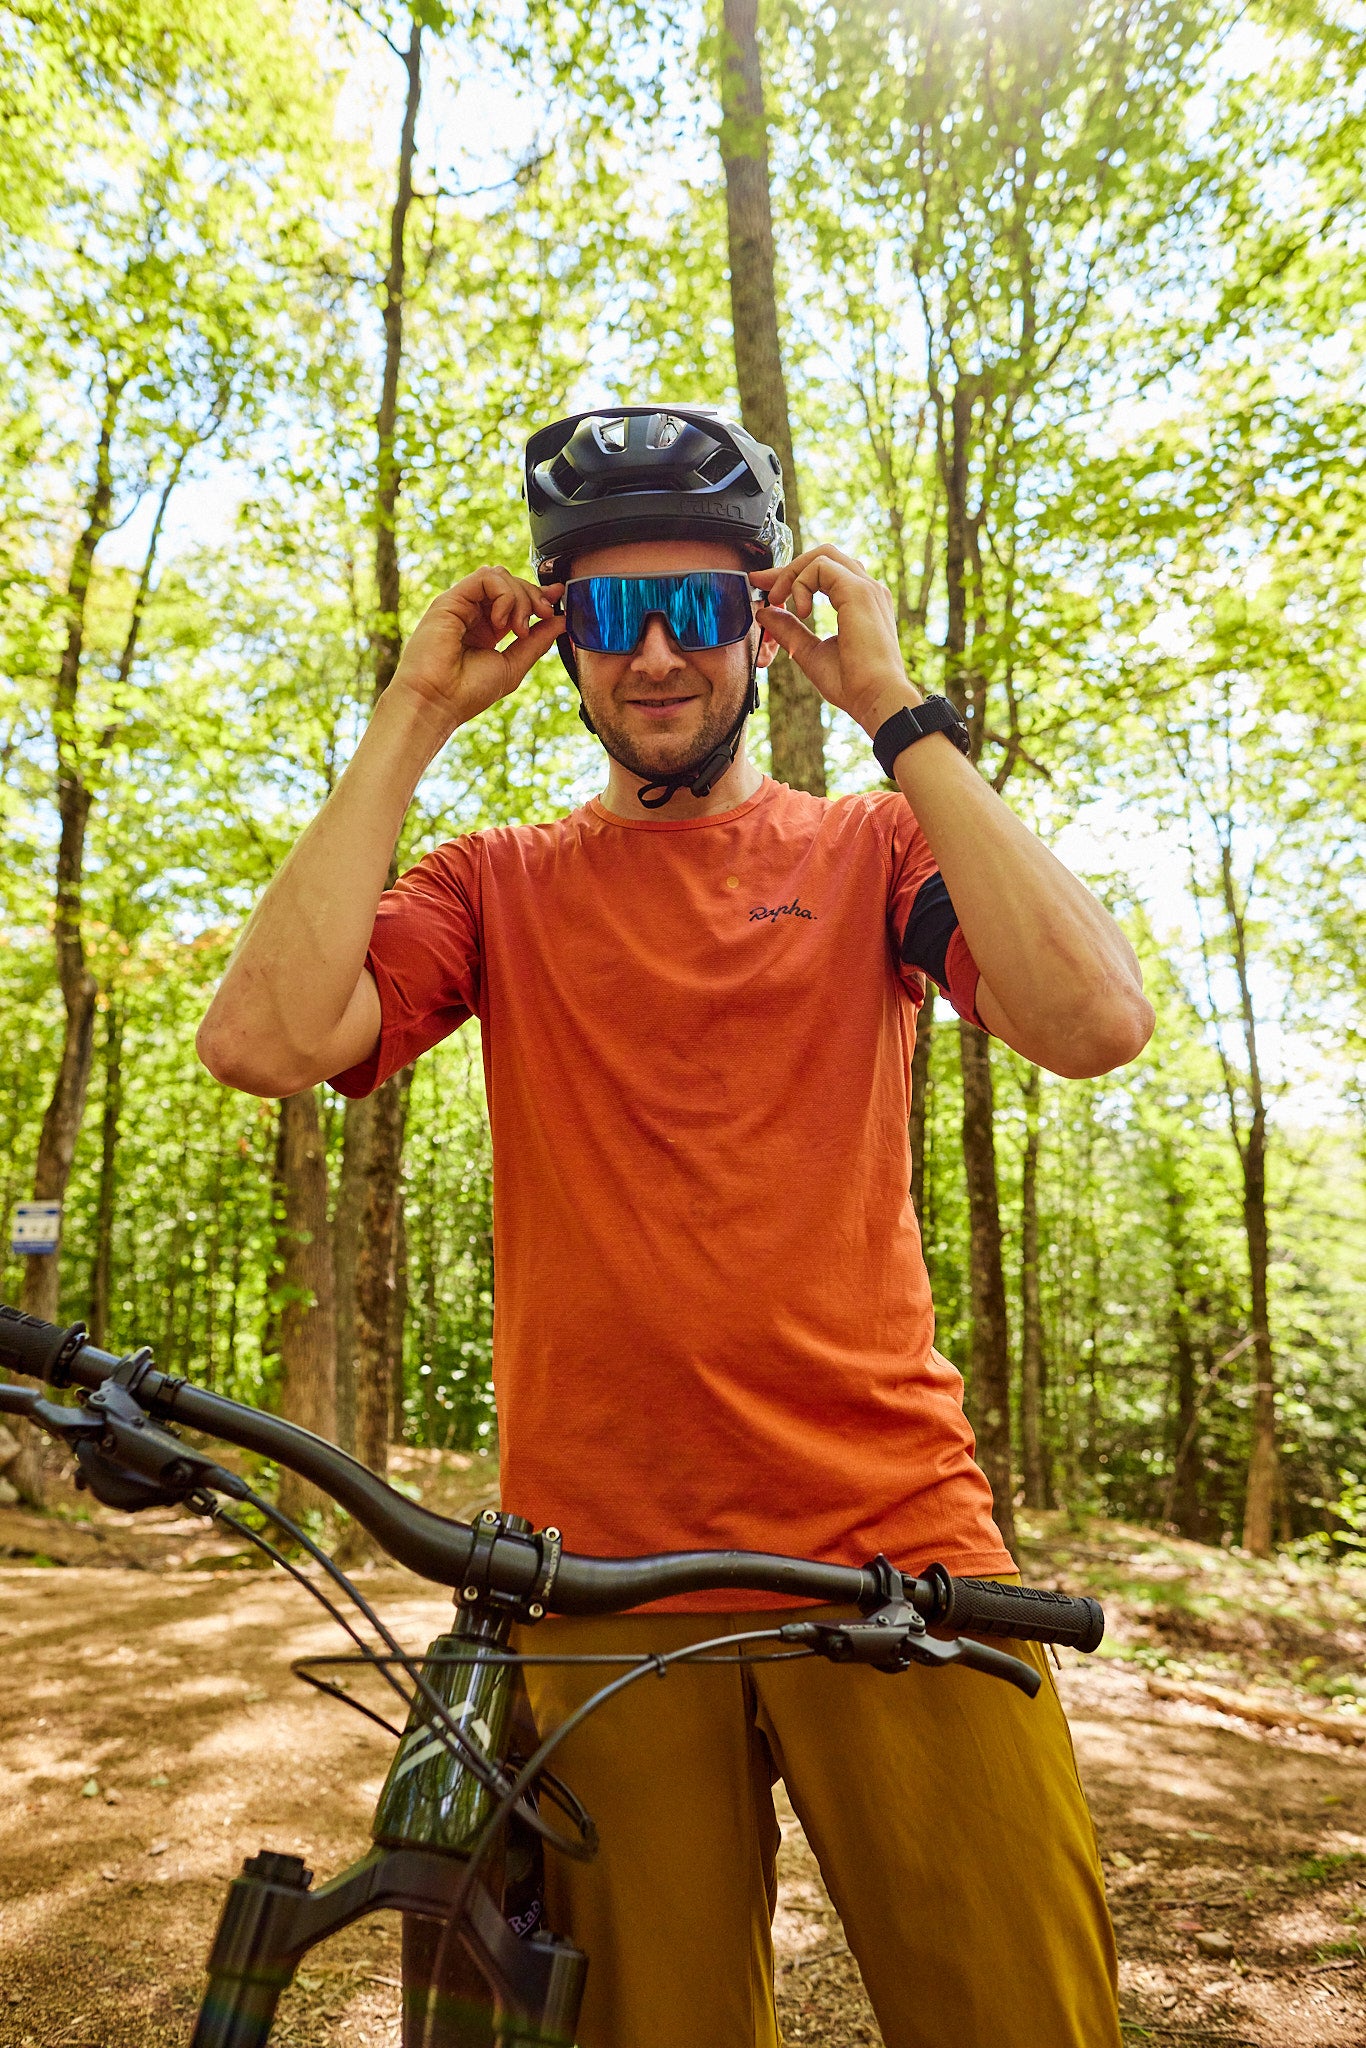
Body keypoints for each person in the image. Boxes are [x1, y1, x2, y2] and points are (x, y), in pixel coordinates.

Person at [197, 404, 1152, 2047]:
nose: (657, 654)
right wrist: (411, 715)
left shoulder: (871, 845)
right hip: (597, 1577)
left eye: (701, 608)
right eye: (611, 611)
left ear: (763, 624)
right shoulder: (493, 880)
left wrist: (891, 704)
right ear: (555, 634)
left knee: (1023, 2017)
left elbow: (1090, 1020)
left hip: (896, 1554)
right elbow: (264, 1041)